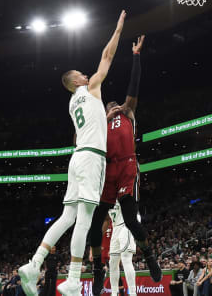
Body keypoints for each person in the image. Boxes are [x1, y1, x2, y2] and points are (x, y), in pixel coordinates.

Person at [18, 10, 127, 296]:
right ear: (77, 82)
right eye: (80, 73)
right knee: (85, 218)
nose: (85, 73)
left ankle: (34, 263)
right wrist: (117, 31)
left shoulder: (72, 104)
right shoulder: (91, 88)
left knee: (67, 217)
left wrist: (103, 116)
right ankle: (75, 279)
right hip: (91, 158)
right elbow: (106, 58)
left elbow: (82, 130)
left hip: (77, 157)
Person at [88, 35, 161, 296]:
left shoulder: (128, 112)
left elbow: (135, 86)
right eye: (108, 105)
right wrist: (102, 117)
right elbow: (78, 140)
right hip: (108, 171)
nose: (112, 105)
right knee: (95, 226)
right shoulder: (100, 123)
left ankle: (150, 255)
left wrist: (136, 56)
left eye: (113, 104)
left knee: (131, 219)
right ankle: (98, 269)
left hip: (127, 165)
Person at [108, 202, 138, 296]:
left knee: (126, 259)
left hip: (126, 223)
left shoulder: (122, 188)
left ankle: (133, 293)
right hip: (115, 227)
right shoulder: (104, 196)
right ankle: (114, 293)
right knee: (112, 262)